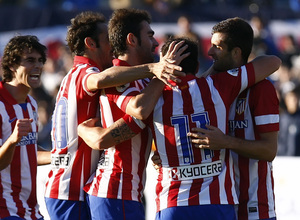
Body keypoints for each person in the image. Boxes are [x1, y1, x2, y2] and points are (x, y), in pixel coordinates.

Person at [80, 32, 280, 220]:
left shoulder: (152, 100)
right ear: (197, 63)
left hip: (172, 203)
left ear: (164, 65)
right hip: (217, 203)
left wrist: (83, 129)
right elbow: (272, 62)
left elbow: (109, 137)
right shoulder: (219, 86)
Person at [44, 10, 184, 220]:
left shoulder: (73, 75)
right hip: (81, 189)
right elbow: (116, 102)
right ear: (91, 44)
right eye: (107, 40)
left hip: (75, 185)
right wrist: (156, 69)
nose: (113, 47)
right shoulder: (90, 73)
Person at [187, 17, 279, 220]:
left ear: (236, 53)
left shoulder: (261, 89)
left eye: (217, 47)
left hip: (254, 207)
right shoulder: (212, 88)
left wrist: (225, 142)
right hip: (218, 205)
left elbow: (269, 150)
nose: (210, 52)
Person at [0, 35, 49, 220]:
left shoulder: (31, 104)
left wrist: (61, 155)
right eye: (30, 60)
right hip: (5, 210)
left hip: (31, 211)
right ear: (12, 65)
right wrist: (13, 140)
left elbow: (28, 152)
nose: (38, 66)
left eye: (40, 60)